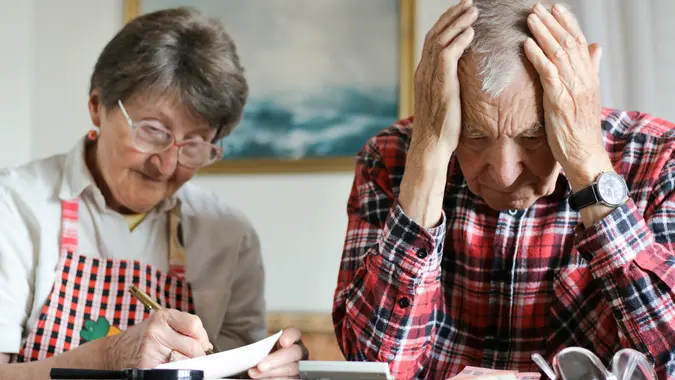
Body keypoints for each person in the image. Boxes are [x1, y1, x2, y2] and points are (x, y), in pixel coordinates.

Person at [332, 0, 675, 378]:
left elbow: (668, 363)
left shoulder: (660, 161)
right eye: (474, 135)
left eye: (534, 134)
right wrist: (427, 159)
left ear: (582, 98)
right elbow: (374, 364)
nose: (504, 174)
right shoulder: (390, 160)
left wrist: (587, 162)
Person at [0, 7, 307, 379]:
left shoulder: (229, 235)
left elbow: (230, 371)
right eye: (153, 131)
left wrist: (268, 368)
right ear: (98, 107)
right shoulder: (15, 205)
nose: (165, 165)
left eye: (194, 143)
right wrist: (110, 356)